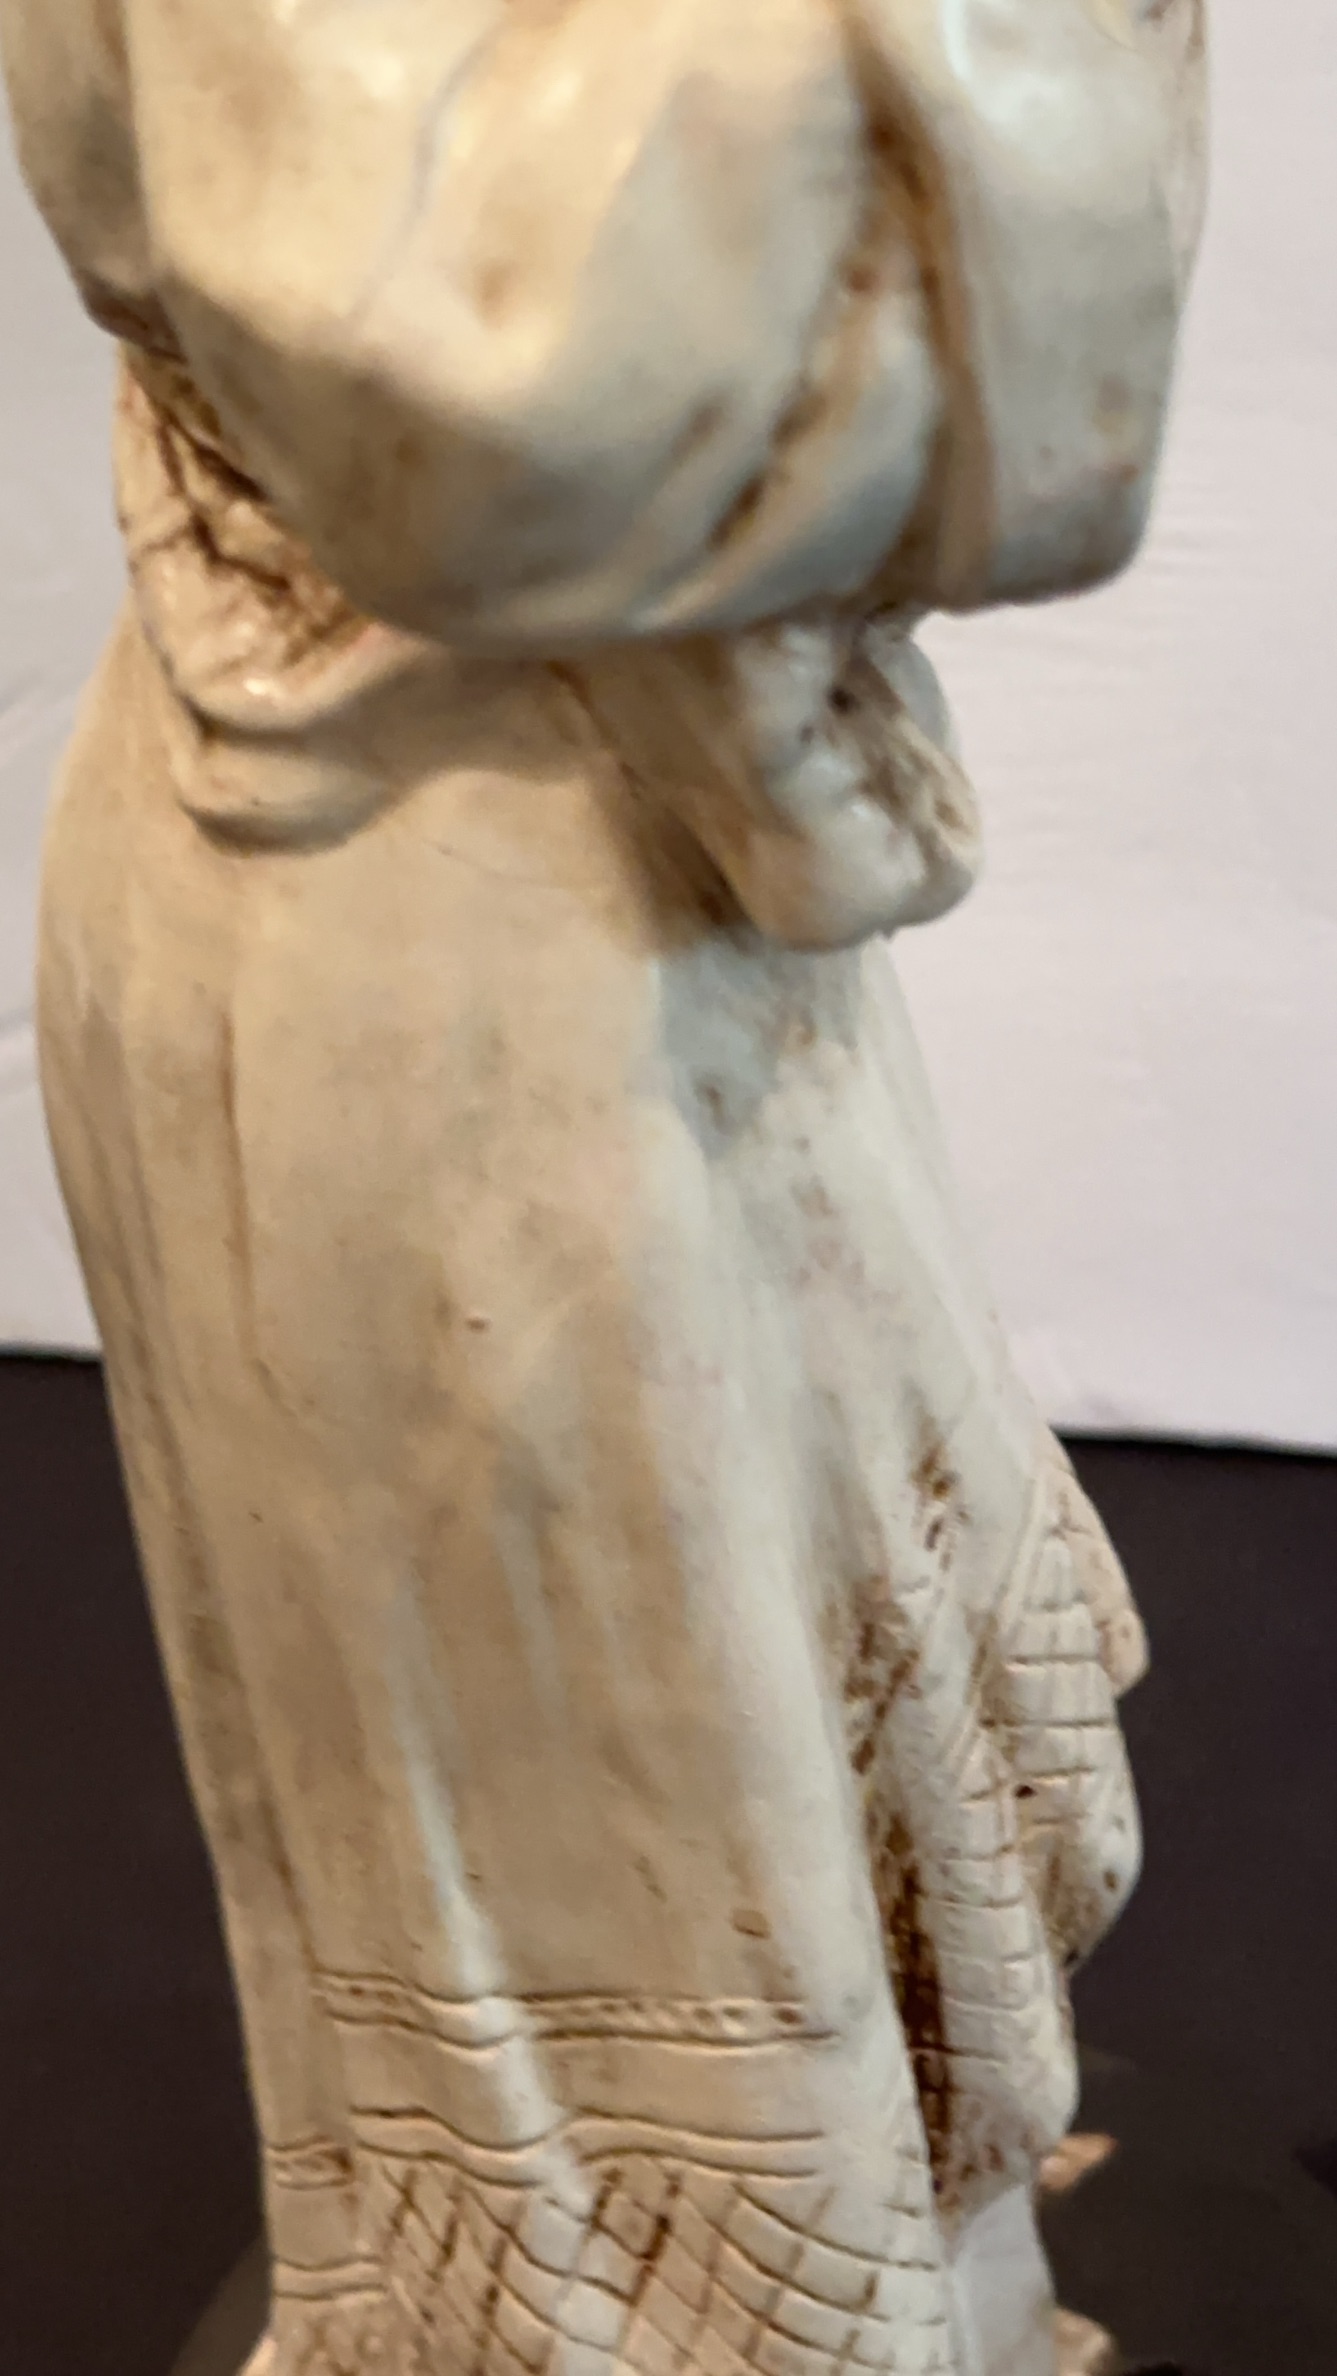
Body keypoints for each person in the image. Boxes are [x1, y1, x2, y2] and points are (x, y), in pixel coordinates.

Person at [2, 5, 1205, 2371]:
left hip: (599, 893)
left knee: (773, 1696)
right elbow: (484, 396)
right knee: (614, 1832)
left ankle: (895, 2302)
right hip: (437, 910)